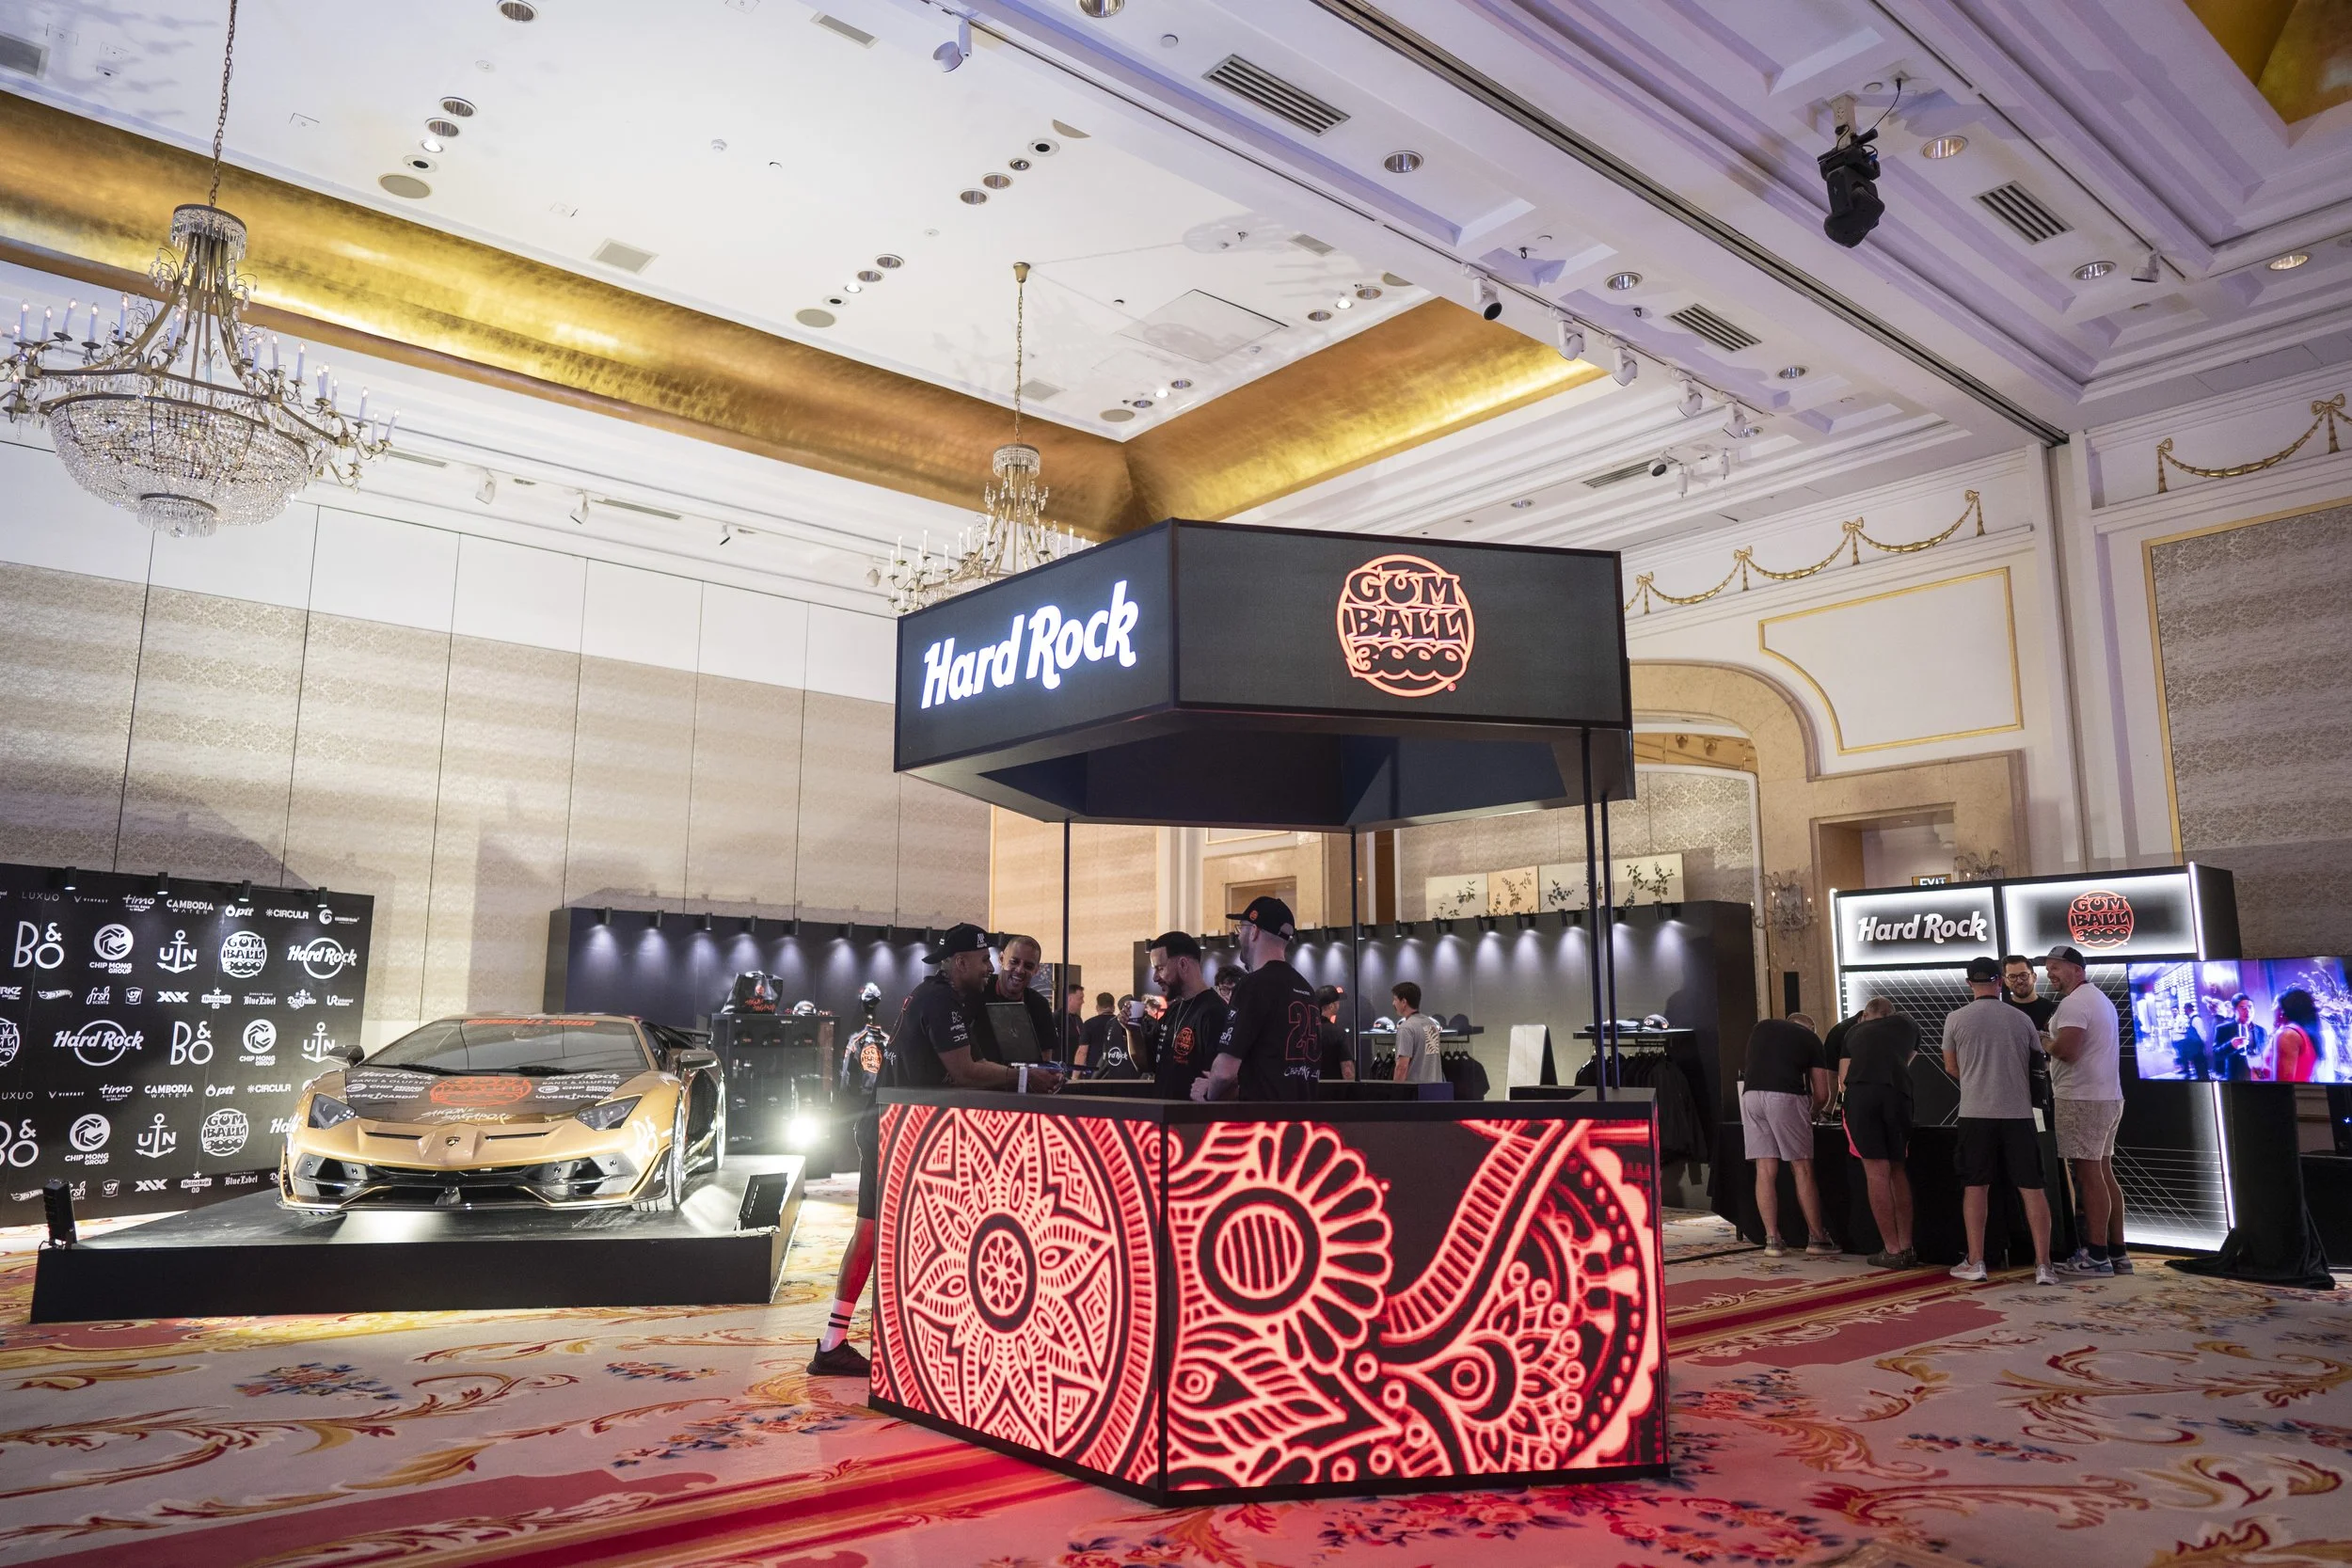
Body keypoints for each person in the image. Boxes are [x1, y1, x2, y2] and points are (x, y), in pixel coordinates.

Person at [808, 922, 1061, 1379]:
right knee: (884, 1236)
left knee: (881, 1234)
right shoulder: (940, 1000)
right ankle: (847, 1342)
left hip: (897, 1129)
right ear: (959, 962)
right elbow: (963, 1070)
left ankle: (841, 1341)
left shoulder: (939, 996)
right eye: (985, 961)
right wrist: (1024, 1078)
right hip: (894, 1132)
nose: (991, 970)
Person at [1943, 956, 2058, 1287]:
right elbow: (2038, 1063)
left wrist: (1978, 1080)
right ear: (1999, 981)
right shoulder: (2020, 1019)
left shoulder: (1956, 1019)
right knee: (2033, 1188)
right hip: (2019, 1113)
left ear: (1969, 984)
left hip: (1975, 1113)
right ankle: (2044, 1265)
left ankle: (1976, 1261)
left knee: (1975, 1187)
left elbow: (1951, 1067)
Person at [2041, 945, 2129, 1277]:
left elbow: (2066, 1050)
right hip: (2106, 1096)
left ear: (2077, 969)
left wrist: (2042, 1040)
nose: (2050, 973)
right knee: (2104, 1172)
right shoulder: (2099, 999)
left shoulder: (2075, 1003)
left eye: (2056, 967)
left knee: (2089, 1176)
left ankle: (2096, 1256)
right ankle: (2117, 1253)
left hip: (2081, 1099)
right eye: (2048, 968)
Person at [1193, 896, 1319, 1102]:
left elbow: (1225, 1071)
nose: (1238, 936)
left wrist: (1207, 1093)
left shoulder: (1253, 985)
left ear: (1254, 931)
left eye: (1240, 928)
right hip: (1302, 1125)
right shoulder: (1306, 988)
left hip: (1262, 1125)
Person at [1739, 1011, 1836, 1258]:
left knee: (1764, 1169)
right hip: (1784, 1097)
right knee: (1801, 1167)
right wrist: (1811, 1112)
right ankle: (1817, 1238)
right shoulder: (1811, 1039)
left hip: (1750, 1097)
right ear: (1810, 1028)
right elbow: (1823, 1094)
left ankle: (1772, 1239)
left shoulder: (1761, 1028)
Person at [1839, 996, 1917, 1268]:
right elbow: (1906, 1060)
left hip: (1861, 1096)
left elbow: (1843, 1078)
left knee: (1876, 1172)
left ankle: (1891, 1249)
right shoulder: (1907, 1024)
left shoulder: (1853, 1031)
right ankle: (1907, 1247)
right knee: (1898, 1168)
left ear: (1866, 1015)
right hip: (1898, 1095)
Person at [1145, 931, 1230, 1101]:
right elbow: (1146, 1064)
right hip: (1164, 1120)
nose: (1155, 978)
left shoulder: (1214, 1013)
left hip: (1191, 1122)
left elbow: (1220, 1080)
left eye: (1160, 968)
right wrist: (1131, 1029)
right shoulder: (1173, 1011)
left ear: (1183, 965)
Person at [972, 933, 1059, 1066]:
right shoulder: (978, 991)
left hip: (1019, 1082)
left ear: (1036, 970)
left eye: (1028, 966)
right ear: (1002, 959)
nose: (1019, 970)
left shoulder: (1039, 1005)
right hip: (977, 1080)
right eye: (1014, 962)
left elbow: (1044, 1061)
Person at [1391, 981, 1442, 1085]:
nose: (1393, 1003)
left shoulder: (1406, 1028)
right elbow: (1430, 1059)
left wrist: (1395, 1094)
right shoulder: (1430, 1024)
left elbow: (1402, 1067)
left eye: (1395, 999)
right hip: (1435, 1091)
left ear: (1404, 1002)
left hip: (1414, 1093)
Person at [2273, 988, 2321, 1083]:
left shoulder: (2288, 1035)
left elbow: (2282, 1084)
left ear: (2283, 1011)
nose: (2273, 1009)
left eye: (2276, 1005)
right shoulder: (2303, 1033)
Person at [2214, 993, 2263, 1081]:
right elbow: (2216, 1055)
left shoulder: (2261, 1031)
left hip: (2258, 1078)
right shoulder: (2223, 1029)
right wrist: (2231, 1045)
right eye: (2242, 1008)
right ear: (2234, 1010)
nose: (2247, 1011)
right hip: (2236, 1079)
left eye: (2250, 1007)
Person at [2000, 955, 2058, 1031]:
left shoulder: (2053, 1011)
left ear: (2034, 977)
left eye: (2023, 975)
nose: (2019, 981)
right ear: (2006, 981)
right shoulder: (2001, 1013)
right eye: (2012, 977)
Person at [1313, 986, 1356, 1080]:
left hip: (1310, 1089)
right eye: (1337, 1001)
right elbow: (1347, 1071)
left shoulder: (1306, 1030)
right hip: (1333, 1090)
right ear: (1332, 1006)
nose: (1339, 1004)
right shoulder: (1338, 1032)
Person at [1076, 990, 1118, 1070]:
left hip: (1095, 1073)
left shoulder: (1089, 1024)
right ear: (1113, 1007)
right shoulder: (1120, 1023)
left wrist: (1075, 1077)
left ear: (1097, 1007)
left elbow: (1082, 1052)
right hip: (1116, 1071)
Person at [1062, 979, 1088, 1062]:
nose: (1083, 1002)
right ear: (1070, 999)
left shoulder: (1078, 1019)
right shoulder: (1057, 1018)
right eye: (1080, 998)